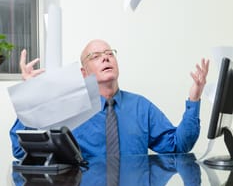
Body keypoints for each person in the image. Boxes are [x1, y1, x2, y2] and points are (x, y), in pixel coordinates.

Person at [10, 39, 209, 160]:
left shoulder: (142, 108)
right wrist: (31, 95)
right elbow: (20, 151)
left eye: (109, 54)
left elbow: (178, 146)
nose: (106, 58)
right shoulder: (69, 107)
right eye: (95, 56)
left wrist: (194, 97)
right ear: (83, 72)